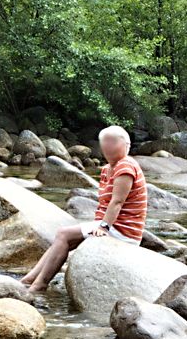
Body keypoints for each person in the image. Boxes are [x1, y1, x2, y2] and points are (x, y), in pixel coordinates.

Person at [20, 125, 148, 291]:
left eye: (114, 142)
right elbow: (105, 204)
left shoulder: (126, 166)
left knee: (63, 235)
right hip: (111, 226)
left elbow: (117, 202)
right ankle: (30, 279)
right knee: (64, 239)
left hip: (122, 231)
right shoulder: (107, 169)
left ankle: (39, 284)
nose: (109, 146)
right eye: (106, 142)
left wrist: (103, 227)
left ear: (126, 145)